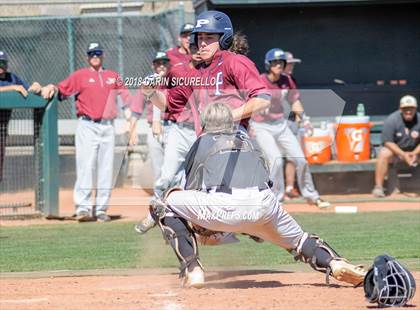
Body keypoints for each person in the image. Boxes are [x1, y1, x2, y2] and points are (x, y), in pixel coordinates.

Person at [149, 102, 366, 288]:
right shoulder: (248, 141)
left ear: (205, 123)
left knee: (164, 202)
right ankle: (335, 263)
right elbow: (267, 180)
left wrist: (204, 227)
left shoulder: (202, 142)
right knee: (300, 240)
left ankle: (192, 269)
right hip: (264, 204)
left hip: (224, 208)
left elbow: (192, 189)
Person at [136, 11, 271, 232]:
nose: (202, 43)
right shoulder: (195, 73)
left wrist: (229, 116)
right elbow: (169, 104)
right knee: (204, 221)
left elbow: (263, 99)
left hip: (232, 141)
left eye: (210, 37)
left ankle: (166, 208)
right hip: (206, 146)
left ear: (224, 38)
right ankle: (169, 211)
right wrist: (150, 93)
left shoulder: (235, 62)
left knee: (232, 211)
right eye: (200, 37)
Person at [40, 42, 131, 222]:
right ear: (87, 57)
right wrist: (52, 87)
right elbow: (62, 89)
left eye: (97, 53)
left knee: (106, 169)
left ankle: (101, 209)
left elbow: (126, 98)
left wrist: (129, 119)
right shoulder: (80, 75)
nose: (95, 56)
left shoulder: (113, 76)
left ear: (102, 55)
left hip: (108, 126)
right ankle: (83, 208)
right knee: (86, 166)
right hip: (88, 125)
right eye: (91, 54)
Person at [251, 48, 330, 208]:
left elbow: (294, 101)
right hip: (261, 125)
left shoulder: (287, 80)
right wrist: (253, 113)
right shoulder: (260, 80)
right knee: (276, 161)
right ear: (268, 65)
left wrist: (304, 119)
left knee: (300, 159)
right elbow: (249, 99)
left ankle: (311, 196)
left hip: (280, 124)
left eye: (281, 62)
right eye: (275, 62)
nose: (278, 65)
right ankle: (276, 199)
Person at [127, 51, 172, 184]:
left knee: (173, 166)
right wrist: (132, 129)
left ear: (169, 65)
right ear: (153, 66)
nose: (162, 66)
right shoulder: (146, 84)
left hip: (173, 126)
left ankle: (173, 199)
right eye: (158, 63)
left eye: (164, 63)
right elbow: (136, 109)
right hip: (153, 128)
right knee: (157, 167)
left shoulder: (174, 82)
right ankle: (160, 198)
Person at [0, 50, 41, 183]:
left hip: (2, 130)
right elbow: (16, 88)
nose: (0, 66)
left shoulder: (12, 78)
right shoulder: (12, 84)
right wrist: (12, 88)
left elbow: (26, 90)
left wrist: (35, 85)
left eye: (3, 63)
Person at [372, 95, 420, 197]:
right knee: (384, 152)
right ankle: (379, 188)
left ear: (415, 108)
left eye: (411, 108)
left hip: (415, 153)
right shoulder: (392, 119)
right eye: (405, 109)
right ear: (400, 109)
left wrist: (415, 153)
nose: (408, 111)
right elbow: (387, 142)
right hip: (396, 153)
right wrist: (403, 154)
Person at [284, 51, 302, 199]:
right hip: (272, 122)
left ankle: (290, 187)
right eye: (288, 63)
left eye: (292, 64)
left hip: (290, 121)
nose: (291, 66)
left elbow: (295, 101)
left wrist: (299, 117)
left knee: (292, 156)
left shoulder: (291, 80)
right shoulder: (270, 80)